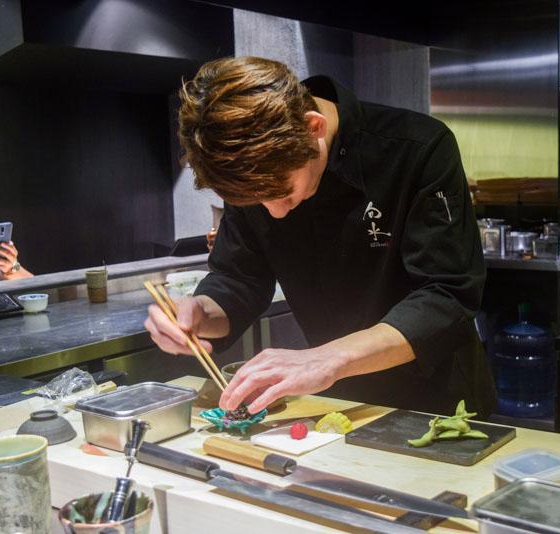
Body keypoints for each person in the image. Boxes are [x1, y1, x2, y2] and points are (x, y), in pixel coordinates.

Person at [145, 56, 496, 418]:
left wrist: (327, 359)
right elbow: (240, 277)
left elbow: (446, 295)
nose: (275, 212)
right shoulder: (255, 170)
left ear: (313, 127)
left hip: (438, 402)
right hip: (335, 401)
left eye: (283, 192)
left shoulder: (419, 148)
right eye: (256, 202)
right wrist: (199, 313)